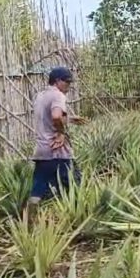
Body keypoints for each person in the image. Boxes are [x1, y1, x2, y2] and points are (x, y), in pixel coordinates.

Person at [24, 67, 87, 220]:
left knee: (37, 191)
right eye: (67, 82)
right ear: (57, 80)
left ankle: (29, 223)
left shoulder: (40, 96)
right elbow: (56, 116)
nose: (68, 86)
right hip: (58, 152)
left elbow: (49, 117)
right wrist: (60, 133)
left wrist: (70, 119)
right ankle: (81, 219)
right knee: (75, 185)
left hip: (42, 151)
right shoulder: (58, 95)